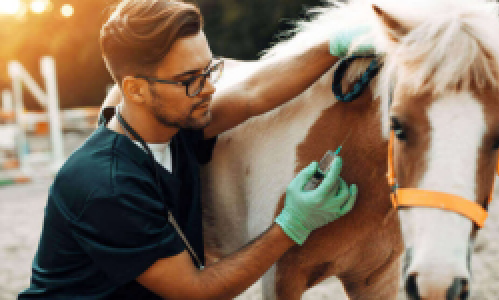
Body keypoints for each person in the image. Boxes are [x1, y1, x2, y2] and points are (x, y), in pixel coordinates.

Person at [19, 0, 366, 299]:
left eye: (209, 70)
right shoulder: (106, 186)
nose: (209, 89)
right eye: (190, 79)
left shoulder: (174, 122)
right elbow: (196, 291)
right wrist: (292, 224)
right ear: (136, 90)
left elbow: (252, 95)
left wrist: (333, 46)